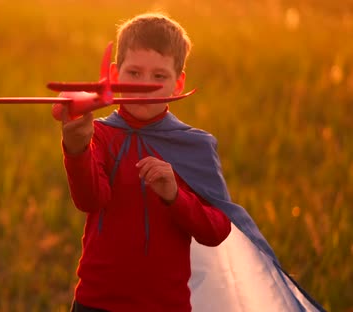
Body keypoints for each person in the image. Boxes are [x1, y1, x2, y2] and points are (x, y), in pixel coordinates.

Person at [58, 13, 325, 312]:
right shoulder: (102, 134)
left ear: (178, 82)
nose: (144, 85)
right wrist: (77, 146)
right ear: (114, 74)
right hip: (97, 300)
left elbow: (216, 230)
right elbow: (90, 199)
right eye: (133, 73)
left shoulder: (193, 145)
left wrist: (175, 196)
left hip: (165, 304)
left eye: (159, 77)